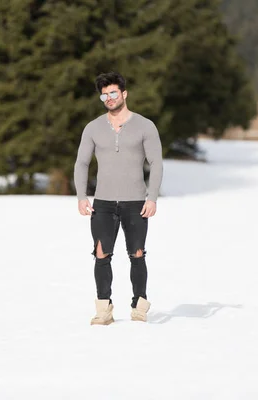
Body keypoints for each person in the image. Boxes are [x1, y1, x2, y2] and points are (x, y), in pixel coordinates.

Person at [73, 71, 163, 325]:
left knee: (137, 254)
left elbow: (156, 163)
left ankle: (139, 306)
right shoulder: (93, 128)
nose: (109, 98)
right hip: (103, 203)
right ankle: (104, 309)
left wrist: (152, 197)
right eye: (104, 95)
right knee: (101, 254)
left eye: (113, 92)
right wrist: (82, 196)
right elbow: (81, 163)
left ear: (124, 94)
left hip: (136, 202)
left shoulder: (145, 126)